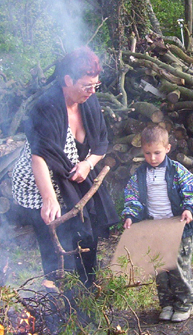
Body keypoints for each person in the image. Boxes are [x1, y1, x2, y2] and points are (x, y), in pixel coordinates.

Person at [12, 47, 118, 287]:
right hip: (38, 184)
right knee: (56, 247)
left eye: (95, 86)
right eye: (86, 86)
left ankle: (88, 294)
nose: (92, 92)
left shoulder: (88, 102)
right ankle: (59, 304)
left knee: (86, 237)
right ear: (67, 79)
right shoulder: (45, 107)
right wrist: (49, 198)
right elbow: (39, 156)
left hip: (72, 179)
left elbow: (101, 143)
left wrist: (87, 164)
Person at [122, 125, 193, 322]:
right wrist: (130, 215)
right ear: (142, 150)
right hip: (154, 228)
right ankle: (166, 304)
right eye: (148, 153)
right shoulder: (140, 174)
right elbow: (132, 197)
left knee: (178, 266)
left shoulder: (176, 170)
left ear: (167, 148)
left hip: (177, 227)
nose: (153, 158)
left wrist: (188, 208)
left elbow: (191, 190)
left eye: (157, 152)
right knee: (160, 269)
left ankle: (185, 304)